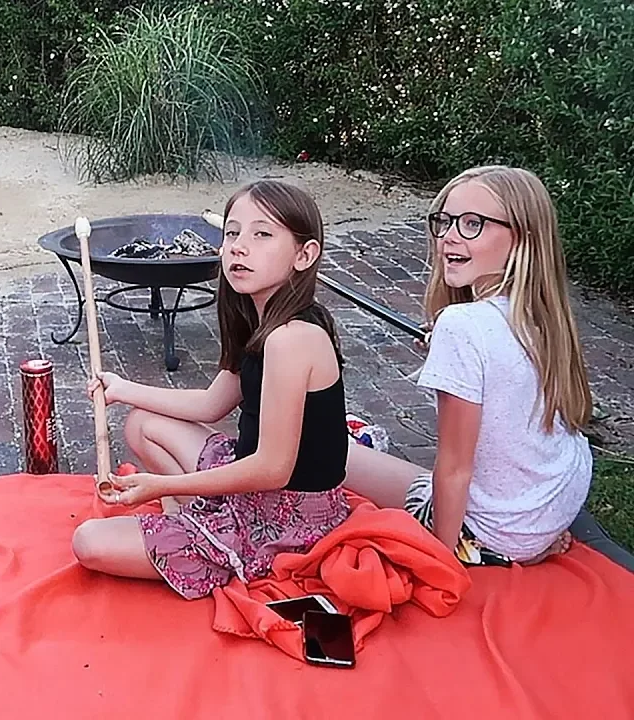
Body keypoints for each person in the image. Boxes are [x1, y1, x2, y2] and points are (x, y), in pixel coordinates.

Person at [71, 180, 350, 600]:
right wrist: (121, 389)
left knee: (89, 542)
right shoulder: (257, 318)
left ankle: (202, 533)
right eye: (233, 233)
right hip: (252, 484)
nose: (239, 247)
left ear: (304, 255)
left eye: (262, 234)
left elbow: (274, 469)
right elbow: (211, 404)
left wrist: (161, 487)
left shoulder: (292, 337)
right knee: (143, 424)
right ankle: (191, 519)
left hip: (285, 519)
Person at [343, 165, 591, 567]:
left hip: (487, 534)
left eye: (474, 223)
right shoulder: (542, 315)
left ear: (521, 238)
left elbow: (455, 469)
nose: (450, 237)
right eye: (445, 221)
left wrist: (438, 560)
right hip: (547, 511)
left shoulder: (461, 326)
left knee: (322, 451)